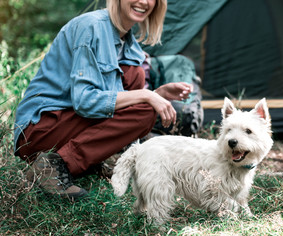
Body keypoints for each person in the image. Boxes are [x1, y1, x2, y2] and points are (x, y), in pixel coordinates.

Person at [13, 0, 193, 200]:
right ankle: (54, 165)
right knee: (146, 108)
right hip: (39, 131)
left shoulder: (128, 43)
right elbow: (85, 101)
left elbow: (116, 98)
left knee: (136, 75)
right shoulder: (92, 27)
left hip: (64, 124)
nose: (144, 1)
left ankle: (104, 158)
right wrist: (147, 95)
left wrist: (157, 93)